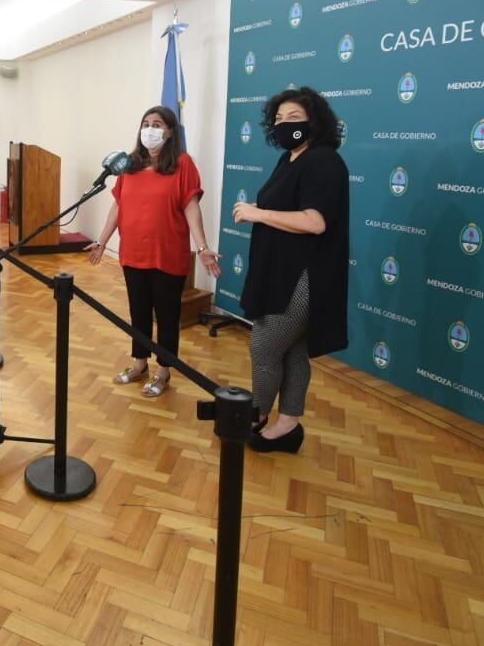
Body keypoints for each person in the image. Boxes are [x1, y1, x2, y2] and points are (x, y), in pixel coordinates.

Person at [234, 86, 349, 454]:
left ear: (314, 121)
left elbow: (315, 222)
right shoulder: (291, 159)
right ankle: (289, 426)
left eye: (294, 118)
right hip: (280, 270)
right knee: (294, 350)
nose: (284, 125)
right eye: (279, 119)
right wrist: (259, 207)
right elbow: (288, 204)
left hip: (304, 275)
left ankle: (254, 416)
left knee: (265, 345)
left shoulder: (323, 160)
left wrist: (258, 213)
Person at [87, 106, 221, 397]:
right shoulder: (129, 165)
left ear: (170, 131)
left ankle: (164, 369)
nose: (150, 129)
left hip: (167, 254)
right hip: (133, 252)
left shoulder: (183, 164)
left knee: (167, 315)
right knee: (138, 312)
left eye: (157, 124)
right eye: (146, 123)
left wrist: (202, 247)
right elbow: (118, 206)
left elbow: (191, 207)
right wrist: (101, 240)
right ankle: (139, 363)